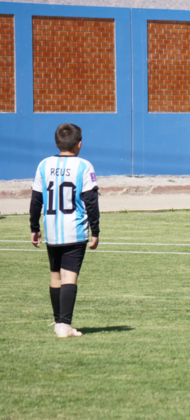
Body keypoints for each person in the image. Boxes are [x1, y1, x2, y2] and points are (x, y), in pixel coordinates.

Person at [29, 123, 100, 338]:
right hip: (74, 229)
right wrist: (95, 231)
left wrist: (34, 227)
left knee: (55, 276)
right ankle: (65, 325)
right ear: (79, 144)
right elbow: (91, 201)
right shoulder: (84, 166)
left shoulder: (44, 164)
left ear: (57, 142)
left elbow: (36, 200)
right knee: (70, 276)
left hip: (51, 229)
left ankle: (59, 320)